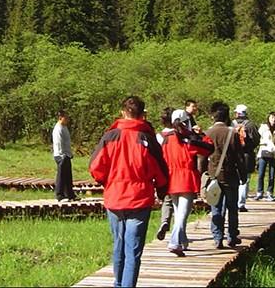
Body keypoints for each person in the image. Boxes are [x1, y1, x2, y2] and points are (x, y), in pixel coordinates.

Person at [89, 95, 170, 288]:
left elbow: (95, 167)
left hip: (114, 198)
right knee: (133, 251)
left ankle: (117, 283)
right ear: (143, 115)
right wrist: (161, 190)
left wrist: (107, 182)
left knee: (118, 245)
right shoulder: (147, 139)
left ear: (122, 113)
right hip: (140, 199)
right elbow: (161, 171)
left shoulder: (110, 136)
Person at [161, 108, 213, 256]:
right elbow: (209, 148)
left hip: (171, 177)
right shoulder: (190, 138)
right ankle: (174, 242)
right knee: (183, 213)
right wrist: (200, 134)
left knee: (178, 211)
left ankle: (182, 241)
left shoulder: (165, 138)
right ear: (186, 122)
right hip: (186, 177)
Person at [205, 101, 242, 249]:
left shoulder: (207, 133)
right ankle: (232, 236)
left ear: (213, 116)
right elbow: (239, 157)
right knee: (232, 208)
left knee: (216, 207)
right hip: (230, 175)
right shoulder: (232, 133)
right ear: (227, 117)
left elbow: (202, 157)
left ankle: (217, 237)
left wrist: (203, 174)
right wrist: (243, 173)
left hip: (213, 175)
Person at [232, 104, 259, 212]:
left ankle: (233, 202)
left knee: (234, 179)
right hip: (247, 155)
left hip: (233, 155)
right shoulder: (251, 125)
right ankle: (241, 204)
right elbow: (256, 140)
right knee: (245, 180)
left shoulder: (231, 124)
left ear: (237, 113)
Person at [155, 106, 174, 240]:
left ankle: (164, 221)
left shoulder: (158, 136)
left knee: (167, 199)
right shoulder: (180, 134)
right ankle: (178, 231)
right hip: (178, 169)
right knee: (179, 202)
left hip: (164, 170)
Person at [254, 111, 275, 201]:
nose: (273, 120)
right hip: (264, 151)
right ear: (269, 118)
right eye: (272, 118)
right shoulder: (264, 127)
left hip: (273, 153)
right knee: (261, 173)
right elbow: (259, 137)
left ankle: (270, 192)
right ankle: (259, 192)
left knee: (272, 175)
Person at [52, 110, 76, 201]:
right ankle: (59, 195)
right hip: (61, 155)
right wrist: (63, 155)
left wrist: (69, 153)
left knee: (68, 175)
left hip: (67, 155)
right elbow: (59, 143)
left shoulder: (64, 127)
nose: (67, 120)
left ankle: (70, 195)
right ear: (60, 118)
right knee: (61, 176)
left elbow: (67, 142)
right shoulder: (58, 128)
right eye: (66, 118)